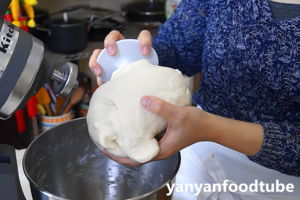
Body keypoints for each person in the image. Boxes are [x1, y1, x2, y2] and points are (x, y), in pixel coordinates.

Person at [89, 0, 300, 199]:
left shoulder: (204, 126)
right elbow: (179, 45)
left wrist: (211, 128)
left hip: (282, 186)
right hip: (201, 162)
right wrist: (135, 58)